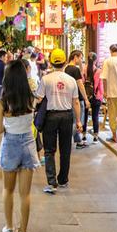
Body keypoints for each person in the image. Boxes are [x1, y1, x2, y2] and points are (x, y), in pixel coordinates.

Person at [0, 60, 40, 232]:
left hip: (10, 145)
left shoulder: (2, 101)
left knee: (8, 190)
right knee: (26, 194)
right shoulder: (31, 98)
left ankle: (9, 228)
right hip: (28, 145)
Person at [37, 48, 81, 194]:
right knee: (65, 149)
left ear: (51, 62)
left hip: (50, 117)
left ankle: (51, 182)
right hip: (67, 117)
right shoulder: (71, 80)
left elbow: (39, 98)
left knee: (49, 150)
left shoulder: (46, 79)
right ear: (64, 62)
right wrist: (79, 121)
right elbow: (75, 102)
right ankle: (63, 179)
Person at [65, 51, 91, 149]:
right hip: (77, 98)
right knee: (78, 121)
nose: (81, 60)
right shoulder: (74, 69)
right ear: (75, 57)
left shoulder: (66, 68)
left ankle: (78, 141)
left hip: (69, 98)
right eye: (80, 58)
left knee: (74, 120)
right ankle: (68, 140)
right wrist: (86, 99)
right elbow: (80, 84)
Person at [84, 52, 104, 142]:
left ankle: (83, 135)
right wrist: (101, 96)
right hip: (96, 97)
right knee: (95, 117)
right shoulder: (98, 71)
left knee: (84, 116)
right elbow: (100, 86)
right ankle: (95, 136)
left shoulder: (83, 69)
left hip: (85, 96)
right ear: (95, 60)